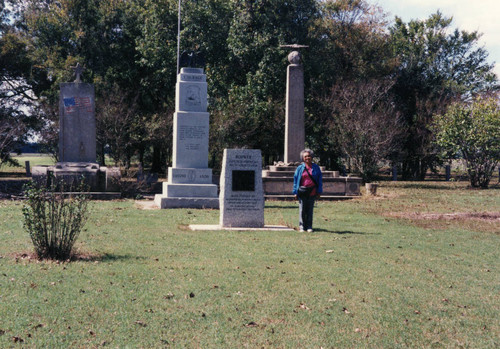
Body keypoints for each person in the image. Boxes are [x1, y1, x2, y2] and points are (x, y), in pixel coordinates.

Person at [292, 149, 323, 232]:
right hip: (302, 191)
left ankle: (309, 226)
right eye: (305, 156)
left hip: (312, 191)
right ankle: (302, 226)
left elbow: (319, 180)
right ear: (303, 157)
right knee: (302, 209)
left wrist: (319, 191)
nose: (307, 158)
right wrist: (295, 192)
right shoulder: (300, 168)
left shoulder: (316, 168)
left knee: (310, 210)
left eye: (309, 156)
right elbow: (295, 180)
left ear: (311, 157)